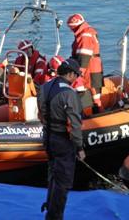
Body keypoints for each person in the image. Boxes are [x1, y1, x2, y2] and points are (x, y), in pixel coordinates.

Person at [37, 59, 86, 220]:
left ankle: (50, 206)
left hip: (48, 138)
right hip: (63, 141)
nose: (76, 78)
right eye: (76, 75)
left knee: (52, 174)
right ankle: (55, 216)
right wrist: (79, 147)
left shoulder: (45, 88)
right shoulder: (69, 94)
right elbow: (74, 124)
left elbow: (42, 115)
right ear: (70, 73)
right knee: (63, 182)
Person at [67, 13, 104, 112]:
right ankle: (95, 109)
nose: (71, 30)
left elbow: (84, 55)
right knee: (94, 90)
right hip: (92, 64)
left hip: (90, 66)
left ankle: (98, 112)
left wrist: (79, 72)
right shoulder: (86, 32)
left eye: (71, 27)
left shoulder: (84, 35)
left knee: (94, 91)